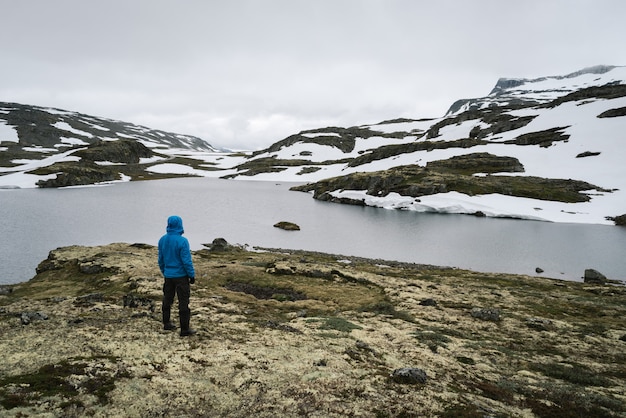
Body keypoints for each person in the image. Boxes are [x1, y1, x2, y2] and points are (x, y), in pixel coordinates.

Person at [158, 215, 196, 336]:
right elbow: (186, 261)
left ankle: (166, 323)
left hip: (168, 276)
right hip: (181, 277)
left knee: (167, 299)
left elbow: (161, 259)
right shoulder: (182, 241)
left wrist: (165, 271)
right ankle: (184, 329)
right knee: (183, 301)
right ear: (180, 225)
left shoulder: (162, 240)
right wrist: (191, 275)